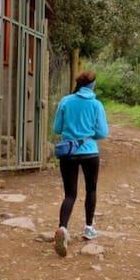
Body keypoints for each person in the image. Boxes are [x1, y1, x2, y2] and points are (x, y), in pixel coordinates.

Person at [52, 70, 109, 257]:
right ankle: (88, 228)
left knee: (70, 194)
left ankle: (63, 228)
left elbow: (57, 128)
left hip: (68, 152)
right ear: (92, 86)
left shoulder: (66, 101)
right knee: (91, 189)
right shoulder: (96, 104)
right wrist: (88, 132)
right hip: (90, 152)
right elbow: (102, 133)